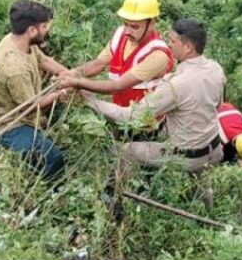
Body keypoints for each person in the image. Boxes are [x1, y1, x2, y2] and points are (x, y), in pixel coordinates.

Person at [73, 18, 225, 211]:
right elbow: (218, 104)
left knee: (126, 150)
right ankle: (208, 214)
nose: (169, 44)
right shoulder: (216, 69)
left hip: (188, 156)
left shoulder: (175, 85)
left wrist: (91, 100)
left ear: (187, 47)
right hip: (214, 147)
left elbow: (132, 116)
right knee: (200, 181)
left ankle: (114, 204)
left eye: (173, 41)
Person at [0, 0, 71, 180]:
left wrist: (69, 75)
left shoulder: (20, 41)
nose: (48, 30)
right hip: (7, 124)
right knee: (53, 157)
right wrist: (59, 93)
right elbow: (33, 105)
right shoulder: (15, 68)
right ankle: (52, 190)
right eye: (45, 26)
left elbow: (44, 61)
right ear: (32, 30)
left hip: (18, 109)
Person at [59, 0, 174, 110]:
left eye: (135, 27)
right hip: (118, 113)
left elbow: (118, 85)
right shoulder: (121, 35)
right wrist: (73, 73)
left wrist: (78, 82)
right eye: (126, 24)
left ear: (151, 24)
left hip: (143, 122)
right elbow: (98, 64)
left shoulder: (157, 54)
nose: (128, 31)